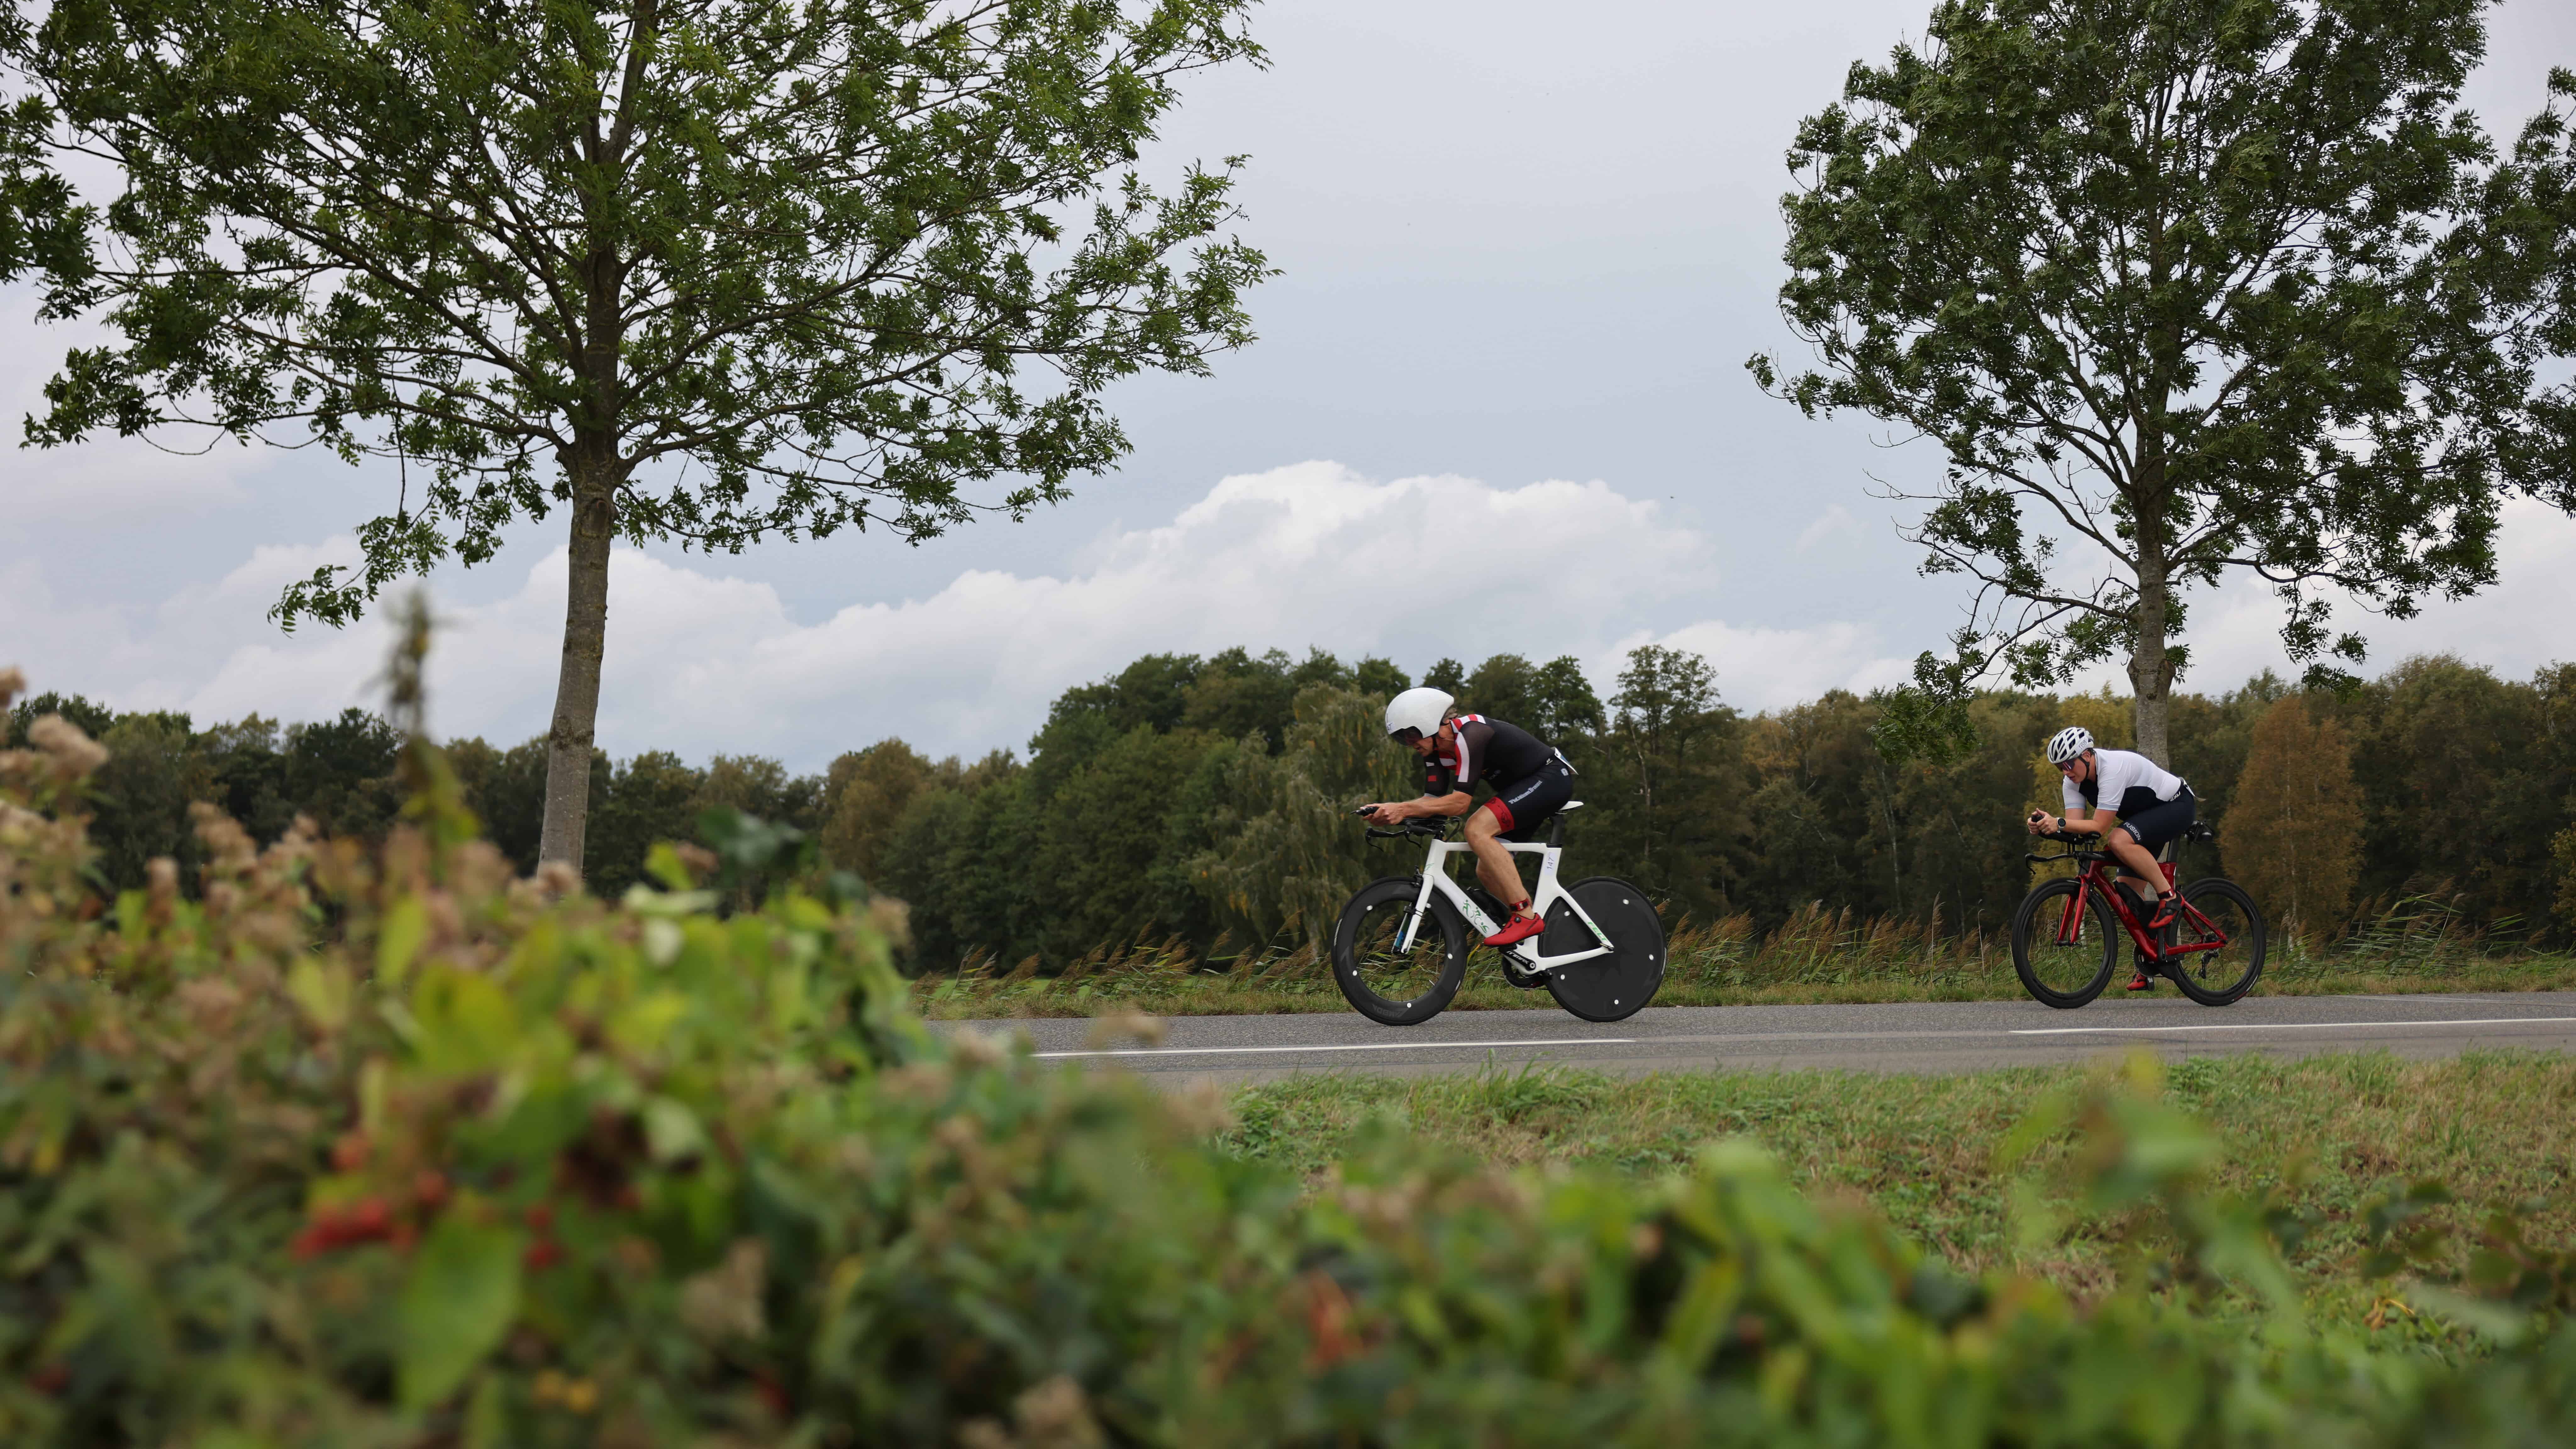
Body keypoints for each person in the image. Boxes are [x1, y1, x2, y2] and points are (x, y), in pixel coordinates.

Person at [1360, 686, 1575, 947]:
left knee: (1476, 830)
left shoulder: (1471, 733)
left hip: (1550, 778)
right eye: (1402, 738)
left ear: (1430, 722)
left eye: (1411, 734)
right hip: (1522, 792)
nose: (1409, 743)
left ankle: (1525, 916)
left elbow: (1460, 803)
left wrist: (1403, 808)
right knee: (1486, 869)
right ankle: (1537, 944)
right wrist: (1389, 811)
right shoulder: (1434, 753)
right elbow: (1433, 802)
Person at [2025, 725, 2199, 991]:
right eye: (2060, 767)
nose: (2066, 772)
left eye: (2069, 764)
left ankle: (2169, 897)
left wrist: (2057, 822)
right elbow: (2075, 829)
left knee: (2118, 840)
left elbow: (2098, 828)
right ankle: (2153, 961)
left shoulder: (2111, 769)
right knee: (2128, 893)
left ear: (2087, 755)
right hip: (2145, 820)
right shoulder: (2072, 783)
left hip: (2176, 806)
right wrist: (2047, 828)